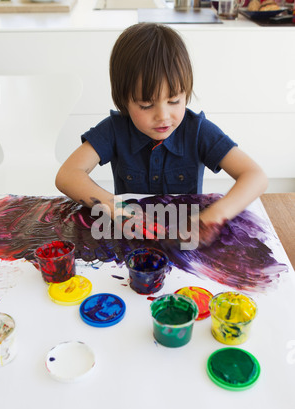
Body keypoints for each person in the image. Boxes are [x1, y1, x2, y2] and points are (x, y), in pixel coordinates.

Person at [55, 22, 268, 246]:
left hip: (186, 244)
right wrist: (116, 208)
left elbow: (255, 176)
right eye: (146, 105)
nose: (163, 116)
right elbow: (67, 175)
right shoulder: (114, 130)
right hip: (132, 242)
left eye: (174, 101)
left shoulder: (197, 130)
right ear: (124, 102)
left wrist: (213, 217)